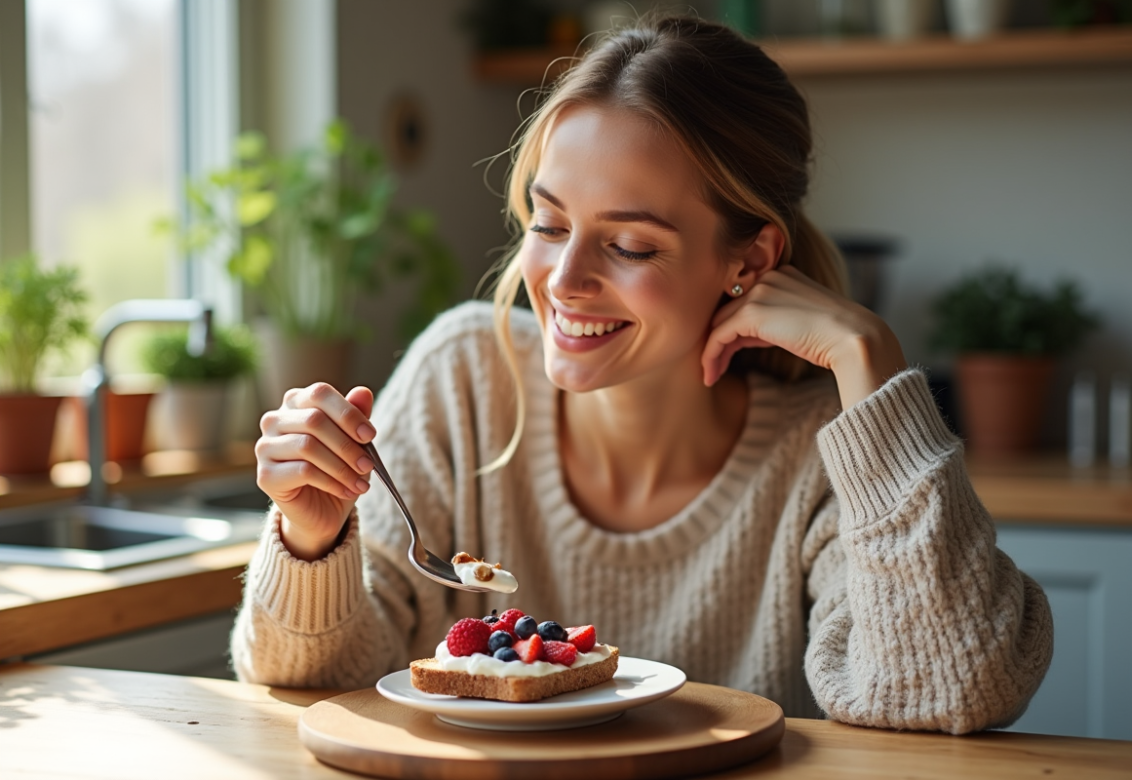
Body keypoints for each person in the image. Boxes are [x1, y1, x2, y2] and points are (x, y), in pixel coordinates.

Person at [231, 16, 1052, 734]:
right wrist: (311, 536)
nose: (565, 280)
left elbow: (953, 692)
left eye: (629, 245)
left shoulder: (824, 451)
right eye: (550, 224)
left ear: (749, 260)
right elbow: (317, 684)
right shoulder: (464, 379)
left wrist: (870, 359)